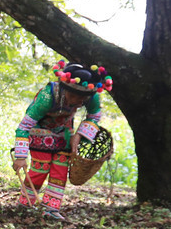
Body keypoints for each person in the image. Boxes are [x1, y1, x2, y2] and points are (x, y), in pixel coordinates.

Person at [12, 60, 113, 220]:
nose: (76, 102)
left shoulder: (91, 94)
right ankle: (26, 204)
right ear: (64, 89)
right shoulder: (47, 96)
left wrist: (78, 136)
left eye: (81, 100)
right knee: (40, 168)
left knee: (60, 170)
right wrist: (20, 156)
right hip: (40, 132)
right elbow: (24, 126)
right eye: (72, 96)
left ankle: (51, 209)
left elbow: (94, 115)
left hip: (64, 133)